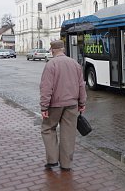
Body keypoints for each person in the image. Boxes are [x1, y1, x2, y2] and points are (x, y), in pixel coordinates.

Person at [40, 40, 87, 171]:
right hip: (72, 104)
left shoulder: (51, 64)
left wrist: (44, 107)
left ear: (53, 50)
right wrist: (82, 103)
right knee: (69, 133)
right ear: (63, 49)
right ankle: (66, 164)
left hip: (55, 104)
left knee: (48, 128)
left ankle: (52, 160)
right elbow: (81, 85)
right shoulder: (75, 64)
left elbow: (46, 88)